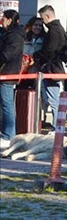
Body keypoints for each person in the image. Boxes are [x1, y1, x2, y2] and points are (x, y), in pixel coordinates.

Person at [33, 5, 67, 130]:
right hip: (55, 68)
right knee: (53, 98)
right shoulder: (59, 29)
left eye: (42, 19)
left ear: (47, 16)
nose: (42, 22)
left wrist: (37, 56)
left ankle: (57, 128)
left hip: (52, 68)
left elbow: (49, 50)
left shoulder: (54, 31)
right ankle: (57, 127)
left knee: (53, 100)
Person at [0, 10, 25, 147]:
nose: (2, 21)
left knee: (7, 105)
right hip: (6, 72)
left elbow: (7, 54)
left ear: (10, 20)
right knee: (5, 105)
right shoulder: (9, 34)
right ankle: (6, 133)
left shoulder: (14, 36)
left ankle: (8, 135)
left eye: (3, 18)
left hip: (8, 74)